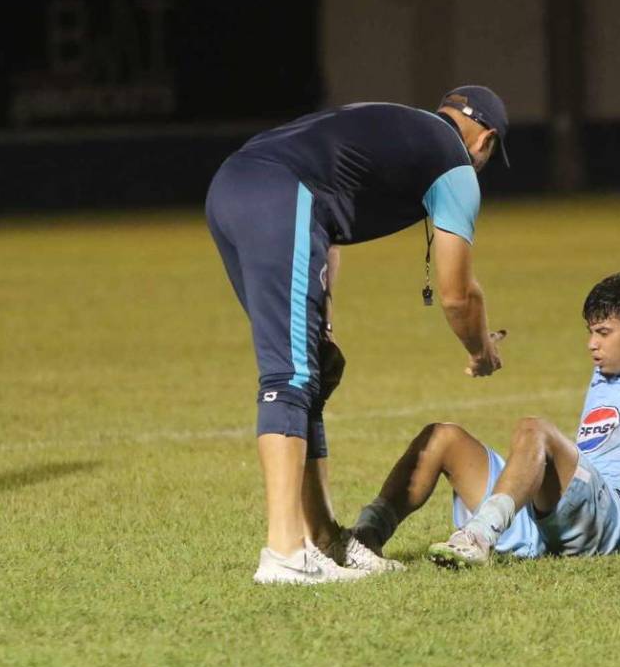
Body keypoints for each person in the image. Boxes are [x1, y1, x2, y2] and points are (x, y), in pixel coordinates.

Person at [205, 86, 510, 584]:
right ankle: (285, 552)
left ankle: (326, 541)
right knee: (291, 374)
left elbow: (327, 223)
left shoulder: (406, 130)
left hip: (236, 188)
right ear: (487, 141)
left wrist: (323, 318)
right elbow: (459, 294)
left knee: (312, 369)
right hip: (278, 193)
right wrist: (481, 350)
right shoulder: (453, 161)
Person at [350, 270, 620, 567]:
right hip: (561, 510)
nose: (591, 344)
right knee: (441, 437)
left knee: (535, 429)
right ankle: (363, 541)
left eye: (603, 332)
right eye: (590, 331)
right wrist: (483, 351)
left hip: (612, 518)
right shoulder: (603, 374)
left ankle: (479, 535)